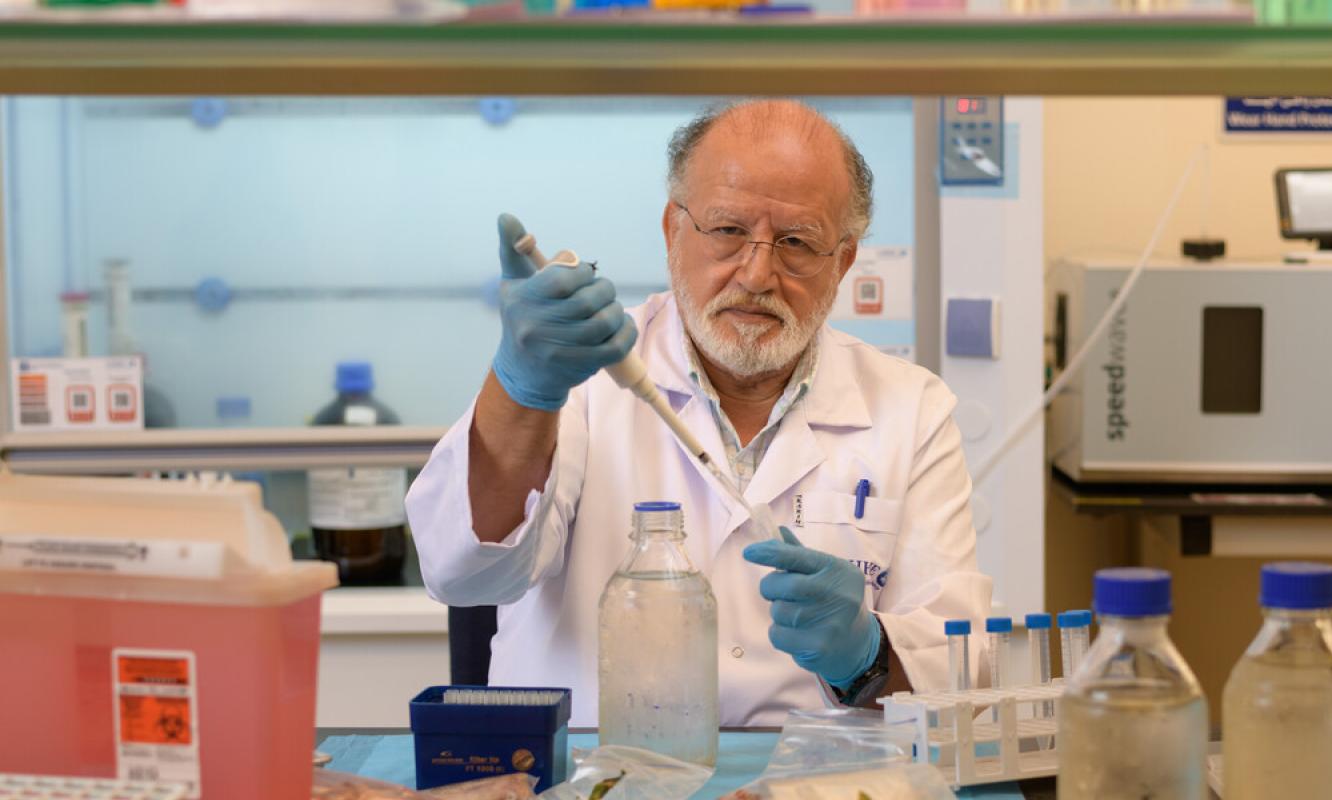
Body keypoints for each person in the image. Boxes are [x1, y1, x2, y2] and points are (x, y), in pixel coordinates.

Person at [407, 99, 991, 726]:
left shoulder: (912, 408)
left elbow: (958, 670)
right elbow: (461, 574)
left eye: (797, 242)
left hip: (815, 780)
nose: (758, 273)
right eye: (728, 230)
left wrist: (867, 655)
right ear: (672, 230)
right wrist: (522, 390)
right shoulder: (581, 374)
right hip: (591, 773)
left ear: (843, 261)